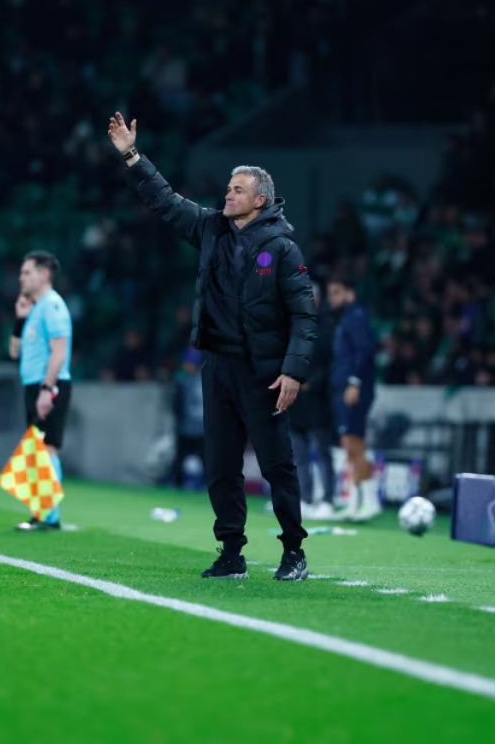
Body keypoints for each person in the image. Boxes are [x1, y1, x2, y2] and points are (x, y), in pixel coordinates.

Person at [108, 111, 316, 581]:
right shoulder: (209, 228)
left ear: (260, 200)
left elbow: (305, 314)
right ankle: (231, 552)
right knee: (221, 466)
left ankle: (294, 551)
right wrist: (132, 155)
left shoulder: (283, 249)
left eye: (237, 190)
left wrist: (293, 371)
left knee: (277, 464)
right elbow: (164, 200)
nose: (228, 194)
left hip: (264, 373)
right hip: (217, 367)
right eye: (228, 188)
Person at [12, 251, 73, 532]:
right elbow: (14, 352)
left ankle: (49, 517)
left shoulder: (52, 306)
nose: (21, 278)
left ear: (44, 274)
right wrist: (19, 320)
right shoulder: (34, 309)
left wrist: (47, 389)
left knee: (47, 446)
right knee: (37, 448)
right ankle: (42, 513)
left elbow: (59, 352)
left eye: (27, 272)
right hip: (33, 384)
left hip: (50, 384)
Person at [327, 275, 379, 520]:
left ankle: (370, 501)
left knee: (355, 444)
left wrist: (354, 382)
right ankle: (354, 502)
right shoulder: (345, 318)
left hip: (354, 388)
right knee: (349, 446)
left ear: (350, 293)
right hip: (344, 387)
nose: (332, 298)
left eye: (336, 292)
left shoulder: (356, 316)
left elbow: (364, 351)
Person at [289, 282, 337, 519]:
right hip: (296, 400)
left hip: (318, 400)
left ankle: (328, 499)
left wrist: (310, 383)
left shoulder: (327, 327)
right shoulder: (292, 326)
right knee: (298, 453)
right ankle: (305, 499)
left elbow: (331, 364)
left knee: (322, 451)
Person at [170, 347, 206, 489]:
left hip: (199, 428)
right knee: (180, 458)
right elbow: (176, 404)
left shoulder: (198, 378)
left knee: (205, 459)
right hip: (187, 427)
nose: (187, 366)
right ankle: (178, 483)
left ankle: (206, 484)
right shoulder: (182, 379)